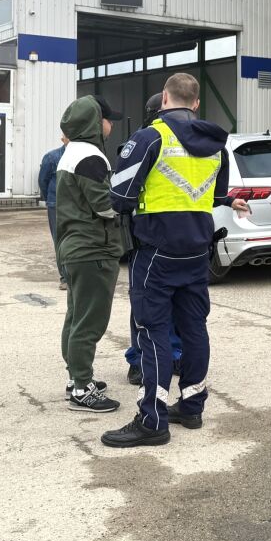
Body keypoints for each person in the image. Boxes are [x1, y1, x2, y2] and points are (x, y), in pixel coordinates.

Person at [100, 73, 250, 448]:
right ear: (196, 103)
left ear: (164, 98)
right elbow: (214, 194)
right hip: (197, 251)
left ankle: (152, 420)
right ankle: (192, 407)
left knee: (152, 330)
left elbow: (120, 197)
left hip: (156, 250)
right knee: (194, 328)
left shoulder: (150, 137)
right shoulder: (216, 145)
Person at [56, 94, 124, 412]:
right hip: (93, 248)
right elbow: (105, 206)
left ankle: (76, 378)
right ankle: (83, 389)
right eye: (108, 120)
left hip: (75, 247)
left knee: (76, 317)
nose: (111, 126)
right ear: (97, 123)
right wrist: (132, 202)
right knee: (90, 322)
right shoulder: (91, 157)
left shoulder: (71, 152)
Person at [121, 92, 183, 386]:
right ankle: (154, 358)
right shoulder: (149, 140)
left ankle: (155, 357)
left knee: (158, 304)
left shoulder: (156, 139)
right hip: (168, 238)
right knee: (158, 304)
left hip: (163, 238)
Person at [38, 136, 69, 290]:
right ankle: (65, 278)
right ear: (63, 138)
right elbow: (42, 181)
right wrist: (50, 199)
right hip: (56, 205)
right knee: (59, 240)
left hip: (74, 204)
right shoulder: (51, 157)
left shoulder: (82, 155)